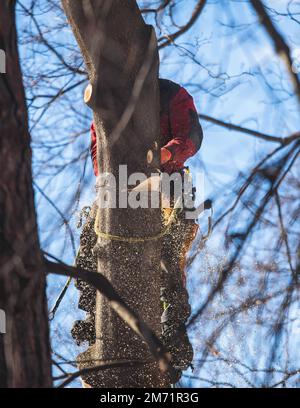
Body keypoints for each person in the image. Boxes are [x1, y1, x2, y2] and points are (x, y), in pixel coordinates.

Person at [72, 79, 203, 382]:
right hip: (120, 186)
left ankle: (173, 329)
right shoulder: (106, 105)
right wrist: (114, 172)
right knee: (89, 245)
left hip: (171, 181)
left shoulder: (170, 93)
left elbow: (192, 135)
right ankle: (95, 315)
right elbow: (97, 153)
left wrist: (165, 156)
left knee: (168, 254)